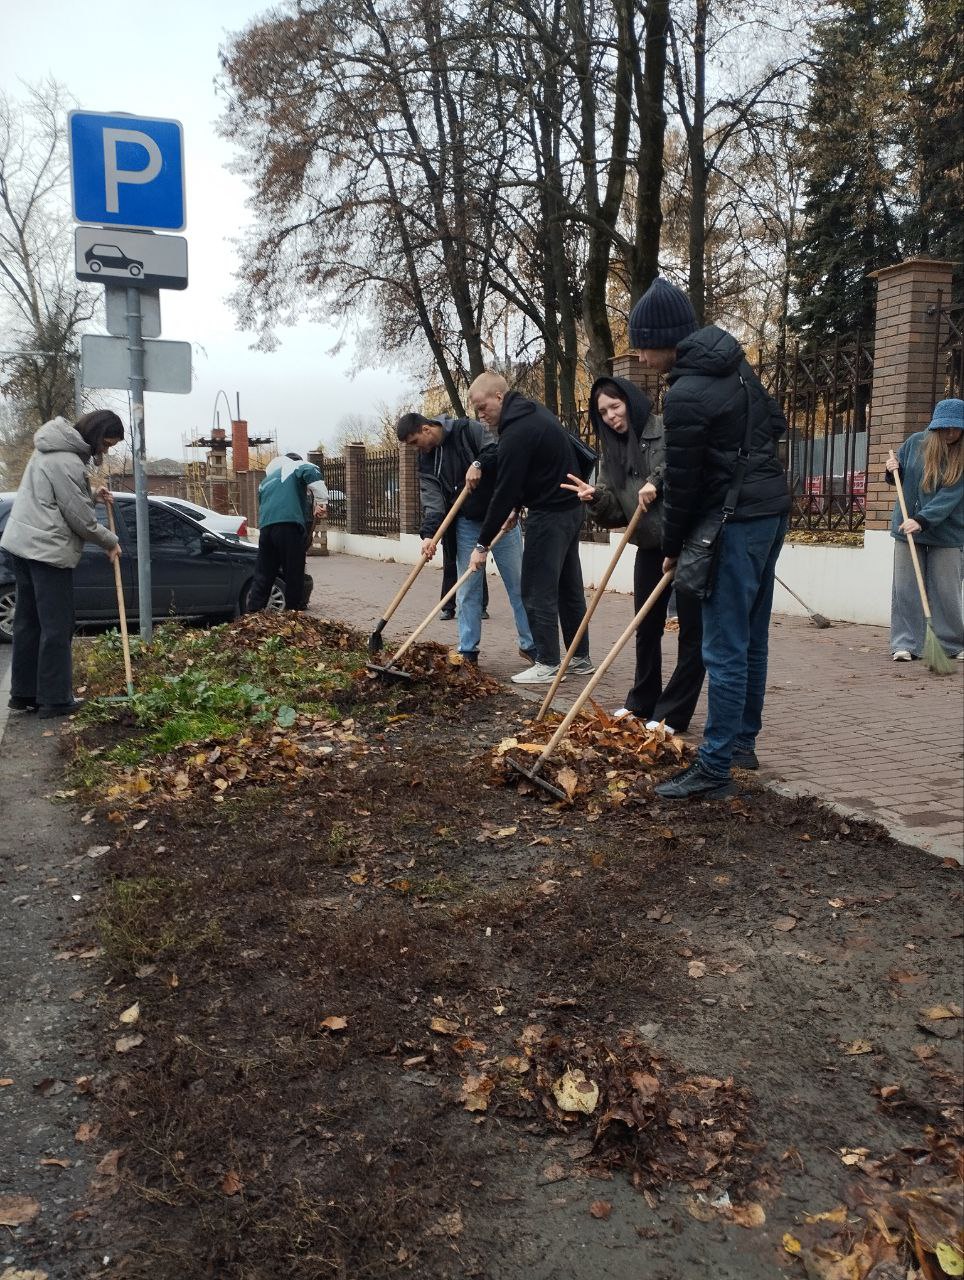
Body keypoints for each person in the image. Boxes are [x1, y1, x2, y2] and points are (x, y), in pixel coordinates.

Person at [627, 277, 790, 800]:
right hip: (771, 512)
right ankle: (742, 743)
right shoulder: (737, 367)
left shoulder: (686, 393)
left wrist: (672, 547)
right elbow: (776, 425)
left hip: (731, 524)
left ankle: (715, 767)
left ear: (665, 340)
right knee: (753, 638)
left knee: (723, 647)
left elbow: (690, 487)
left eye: (642, 344)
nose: (639, 355)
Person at [562, 376, 705, 732]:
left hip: (689, 542)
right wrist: (594, 498)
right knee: (645, 626)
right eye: (603, 412)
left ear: (631, 401)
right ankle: (642, 702)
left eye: (616, 406)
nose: (611, 416)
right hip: (649, 546)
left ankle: (674, 713)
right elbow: (614, 512)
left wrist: (655, 480)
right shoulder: (611, 453)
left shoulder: (665, 430)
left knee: (692, 631)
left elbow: (686, 461)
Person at [467, 371, 593, 685]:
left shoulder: (516, 431)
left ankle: (548, 662)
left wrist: (482, 545)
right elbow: (534, 470)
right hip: (569, 509)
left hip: (549, 515)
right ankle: (579, 658)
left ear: (499, 396)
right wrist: (515, 507)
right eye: (475, 410)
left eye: (483, 407)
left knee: (537, 590)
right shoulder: (534, 412)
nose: (480, 415)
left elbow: (506, 488)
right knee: (568, 588)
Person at [1, 410, 124, 718]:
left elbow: (54, 496)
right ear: (96, 436)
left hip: (22, 546)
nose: (105, 451)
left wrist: (93, 493)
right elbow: (80, 519)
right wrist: (111, 541)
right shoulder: (68, 461)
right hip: (47, 552)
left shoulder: (48, 450)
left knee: (28, 623)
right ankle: (55, 700)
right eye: (107, 443)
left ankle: (24, 694)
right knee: (57, 625)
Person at [396, 411, 534, 665]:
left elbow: (498, 455)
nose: (416, 448)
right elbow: (433, 499)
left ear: (426, 429)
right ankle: (468, 651)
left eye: (415, 442)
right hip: (467, 523)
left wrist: (478, 464)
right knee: (467, 588)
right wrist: (428, 535)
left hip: (502, 517)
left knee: (519, 584)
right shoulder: (427, 459)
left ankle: (531, 645)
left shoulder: (468, 430)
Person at [885, 397, 964, 662]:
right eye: (945, 427)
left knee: (946, 590)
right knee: (905, 588)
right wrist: (891, 469)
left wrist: (922, 520)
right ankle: (905, 643)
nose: (950, 432)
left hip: (947, 530)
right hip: (907, 526)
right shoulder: (915, 443)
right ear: (935, 427)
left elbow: (950, 496)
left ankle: (950, 643)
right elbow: (901, 476)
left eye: (956, 427)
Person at [248, 452, 327, 612]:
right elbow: (312, 470)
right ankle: (293, 616)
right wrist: (322, 501)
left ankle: (252, 614)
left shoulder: (265, 481)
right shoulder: (293, 466)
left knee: (264, 574)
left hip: (266, 529)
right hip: (288, 527)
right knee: (294, 572)